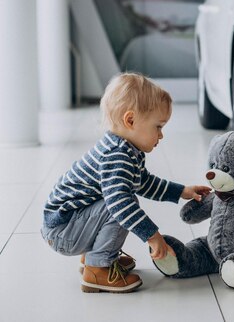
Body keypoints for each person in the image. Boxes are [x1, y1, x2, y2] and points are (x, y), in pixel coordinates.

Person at [41, 72, 210, 293]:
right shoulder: (117, 155)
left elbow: (144, 182)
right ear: (130, 120)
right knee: (121, 205)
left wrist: (181, 191)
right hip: (63, 230)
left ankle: (96, 255)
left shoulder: (126, 149)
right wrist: (152, 236)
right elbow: (120, 204)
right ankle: (97, 268)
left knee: (120, 199)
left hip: (70, 222)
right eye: (158, 127)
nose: (161, 135)